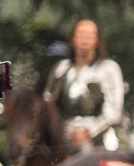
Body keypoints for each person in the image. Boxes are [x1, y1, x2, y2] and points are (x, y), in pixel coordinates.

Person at [46, 18, 126, 150]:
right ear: (73, 38)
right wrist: (66, 131)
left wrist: (89, 132)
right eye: (81, 34)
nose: (85, 39)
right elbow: (49, 102)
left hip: (102, 137)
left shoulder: (109, 69)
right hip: (64, 136)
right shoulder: (61, 69)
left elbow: (114, 110)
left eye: (90, 35)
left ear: (97, 40)